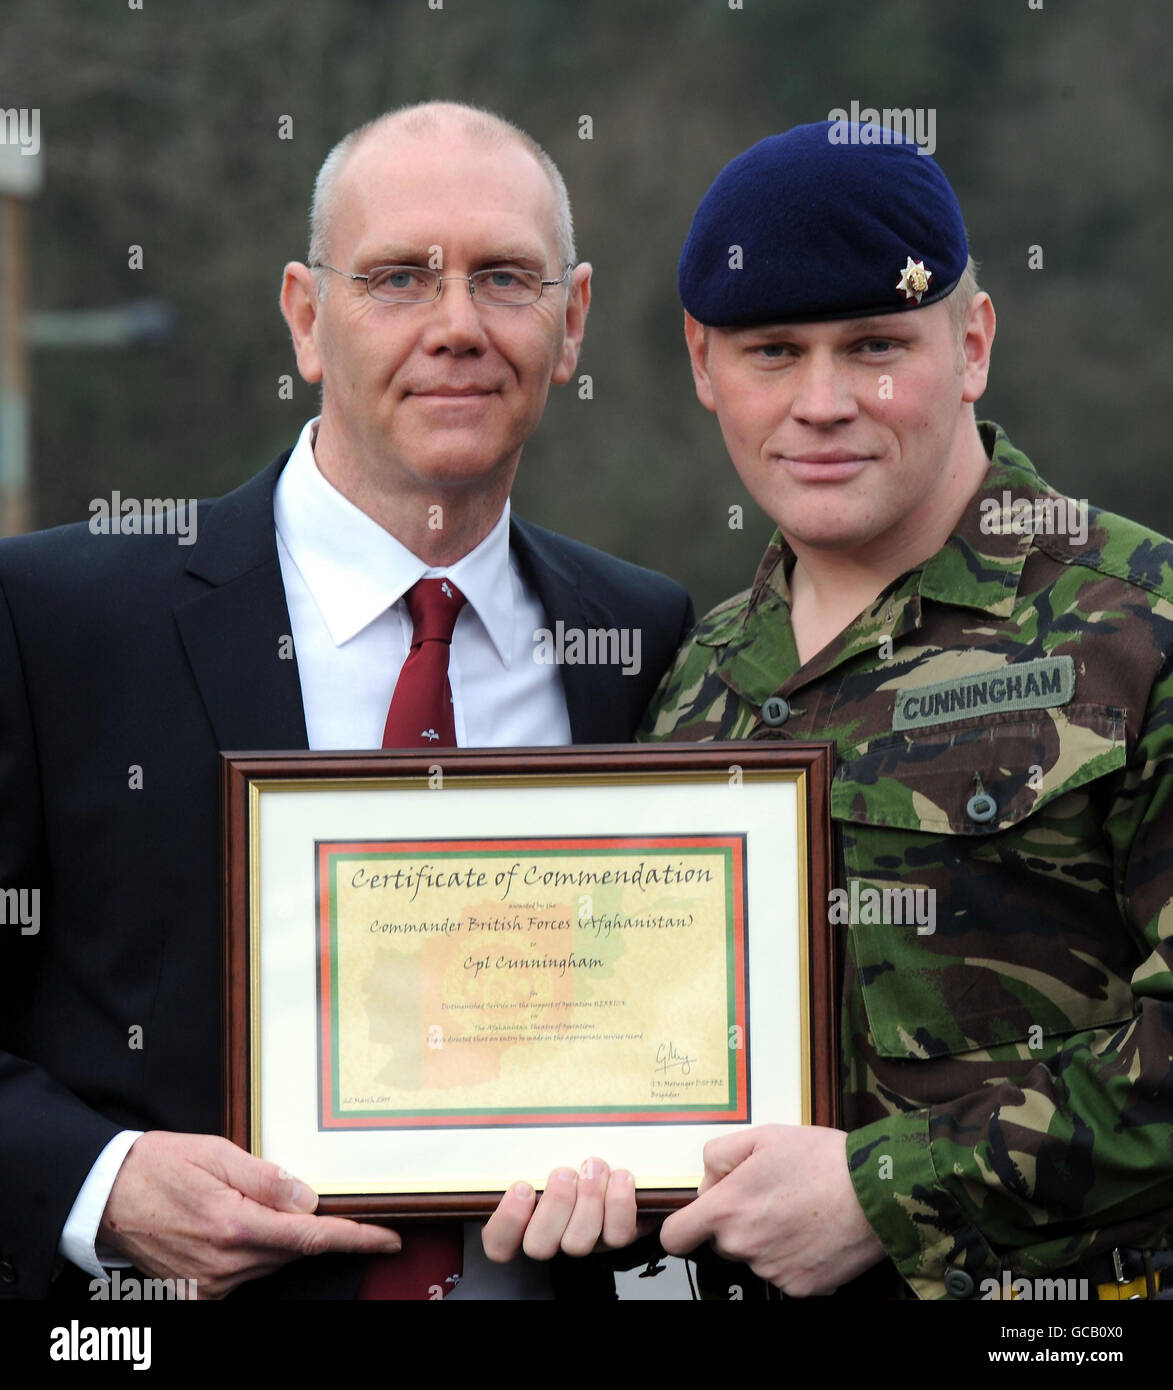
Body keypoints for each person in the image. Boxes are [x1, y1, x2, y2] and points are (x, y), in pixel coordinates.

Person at [0, 101, 693, 1302]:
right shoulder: (52, 618)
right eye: (399, 279)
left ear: (572, 322)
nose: (458, 327)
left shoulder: (641, 638)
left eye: (505, 279)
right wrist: (103, 1183)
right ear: (306, 319)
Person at [488, 120, 1173, 1301]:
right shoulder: (692, 681)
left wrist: (887, 1188)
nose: (822, 403)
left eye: (875, 346)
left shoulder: (1139, 629)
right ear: (702, 363)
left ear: (973, 343)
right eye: (772, 352)